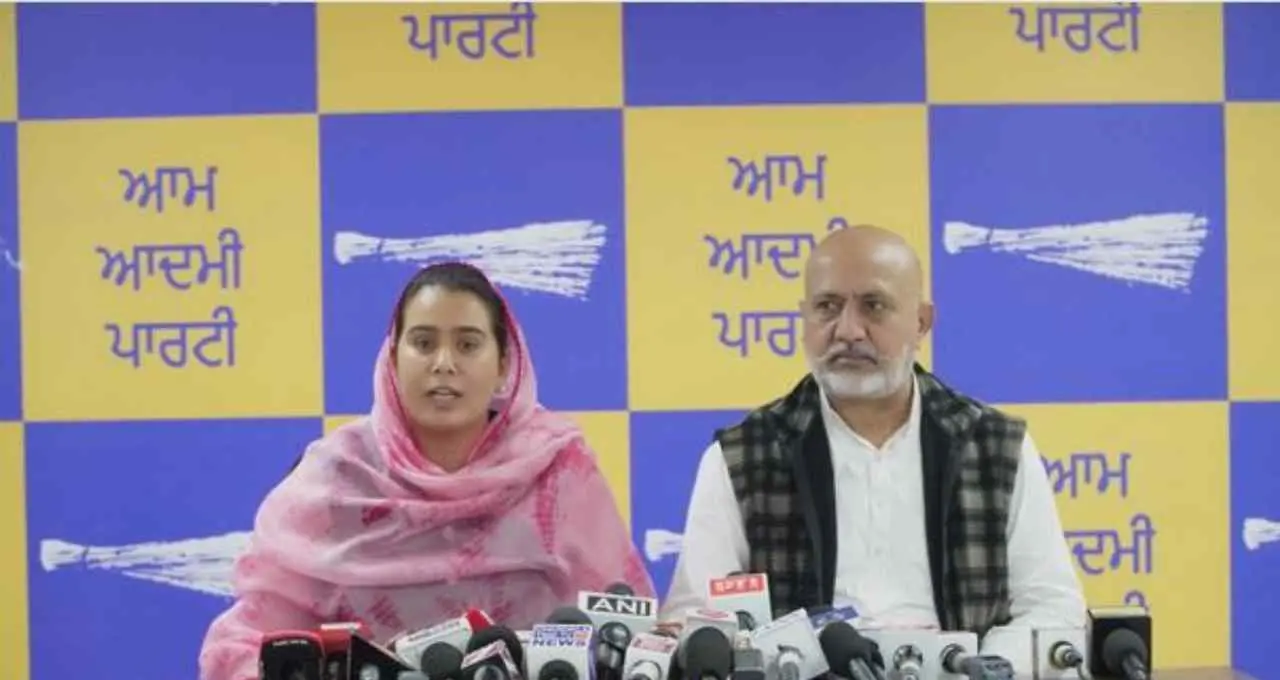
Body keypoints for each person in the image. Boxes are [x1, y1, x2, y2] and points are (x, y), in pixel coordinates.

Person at [199, 261, 653, 680]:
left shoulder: (557, 472)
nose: (444, 363)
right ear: (393, 359)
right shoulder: (333, 480)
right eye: (423, 343)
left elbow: (626, 636)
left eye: (468, 344)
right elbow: (247, 645)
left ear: (503, 365)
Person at [660, 225, 1085, 657]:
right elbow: (697, 619)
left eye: (873, 306)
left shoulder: (995, 447)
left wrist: (979, 667)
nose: (848, 331)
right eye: (827, 307)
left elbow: (1052, 607)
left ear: (921, 322)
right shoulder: (742, 456)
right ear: (804, 319)